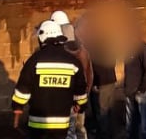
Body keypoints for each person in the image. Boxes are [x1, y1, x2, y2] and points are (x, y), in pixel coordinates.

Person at [12, 20, 89, 138]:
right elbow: (80, 90)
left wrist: (17, 108)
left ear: (42, 38)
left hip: (37, 124)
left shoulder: (34, 60)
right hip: (62, 124)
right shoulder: (72, 62)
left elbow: (23, 90)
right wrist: (81, 105)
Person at [52, 11, 94, 139]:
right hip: (80, 96)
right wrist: (84, 95)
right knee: (79, 127)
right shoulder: (82, 49)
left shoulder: (60, 53)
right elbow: (89, 74)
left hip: (68, 100)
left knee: (69, 129)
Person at [122, 22, 146, 139]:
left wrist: (142, 90)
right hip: (130, 94)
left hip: (142, 94)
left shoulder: (143, 49)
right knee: (131, 127)